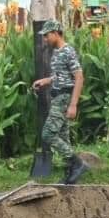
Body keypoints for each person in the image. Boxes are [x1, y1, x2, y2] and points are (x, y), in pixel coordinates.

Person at [32, 21, 87, 185]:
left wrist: (73, 105)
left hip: (64, 98)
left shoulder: (68, 51)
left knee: (48, 134)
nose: (45, 39)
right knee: (64, 137)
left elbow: (78, 77)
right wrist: (46, 80)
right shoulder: (57, 52)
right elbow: (62, 76)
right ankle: (71, 173)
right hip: (57, 96)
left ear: (56, 33)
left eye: (47, 35)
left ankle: (77, 163)